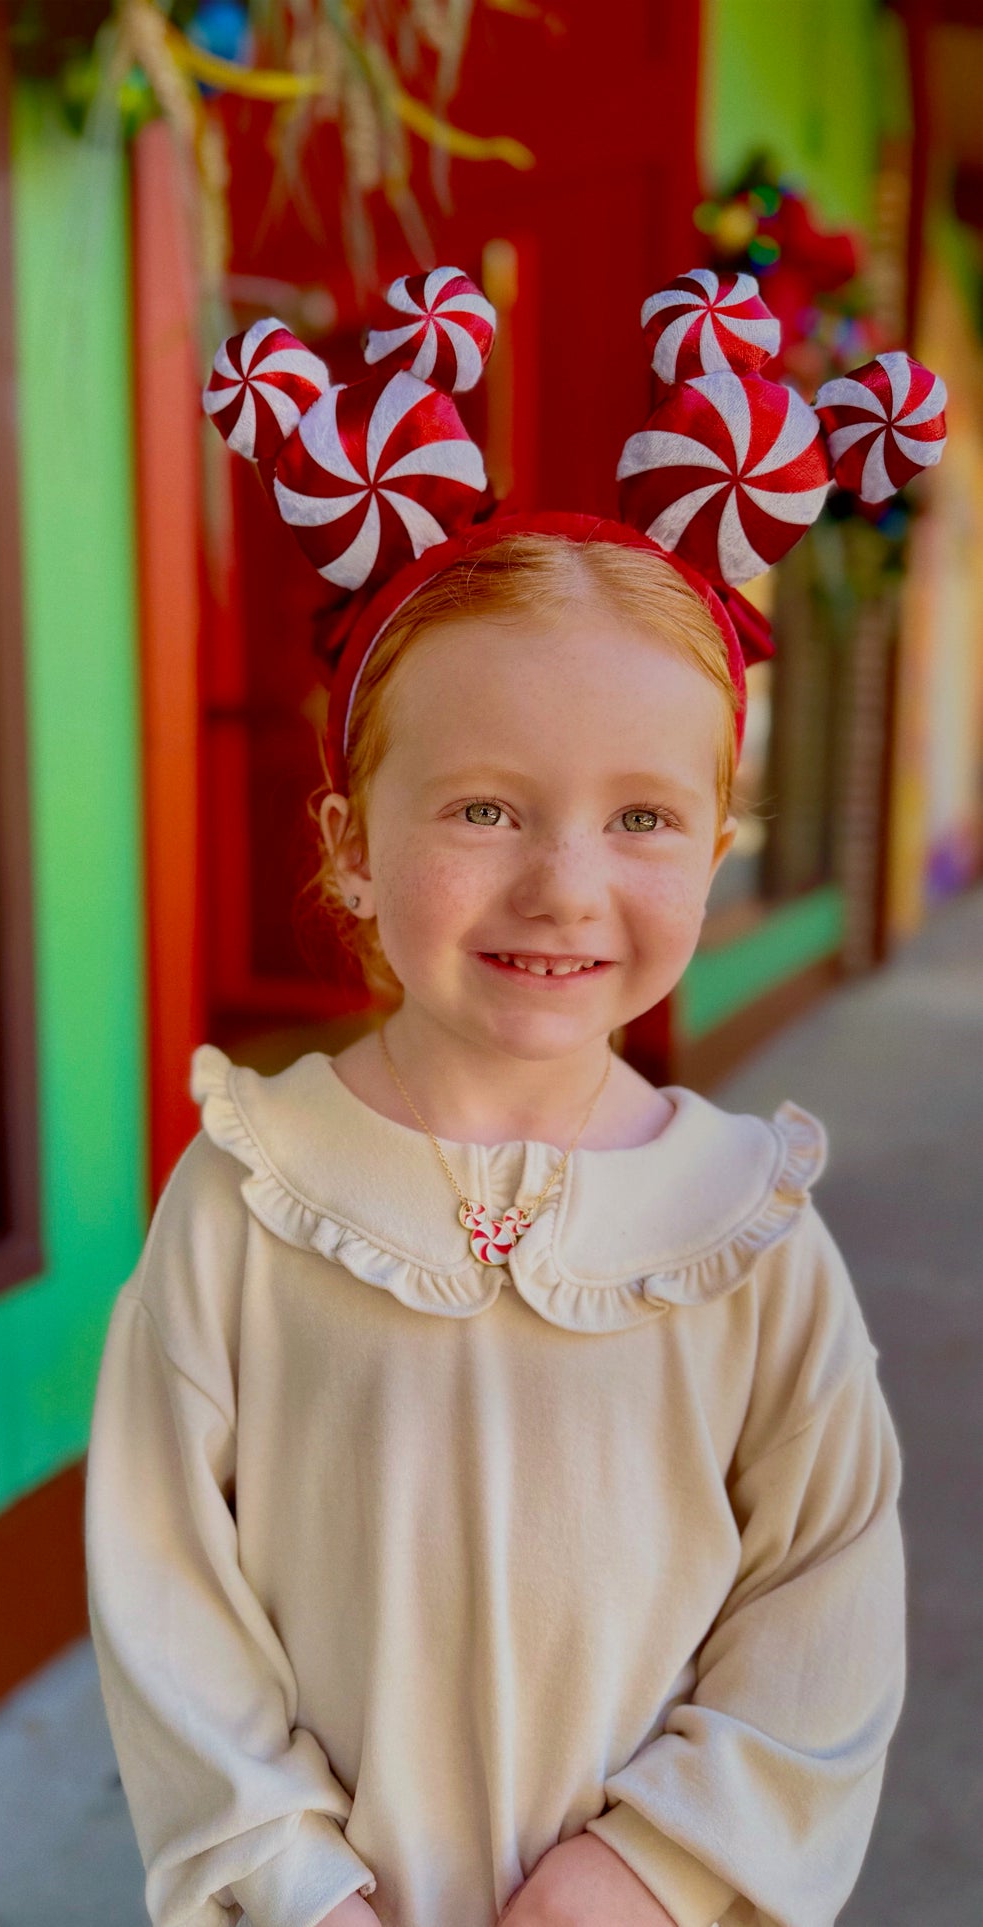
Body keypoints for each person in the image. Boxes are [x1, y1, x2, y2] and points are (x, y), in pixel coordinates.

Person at [84, 268, 944, 1927]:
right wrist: (286, 1880)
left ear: (717, 843)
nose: (563, 886)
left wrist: (645, 1869)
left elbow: (825, 1590)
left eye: (639, 819)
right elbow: (163, 1578)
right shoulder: (248, 1199)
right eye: (484, 809)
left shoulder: (744, 1233)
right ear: (347, 845)